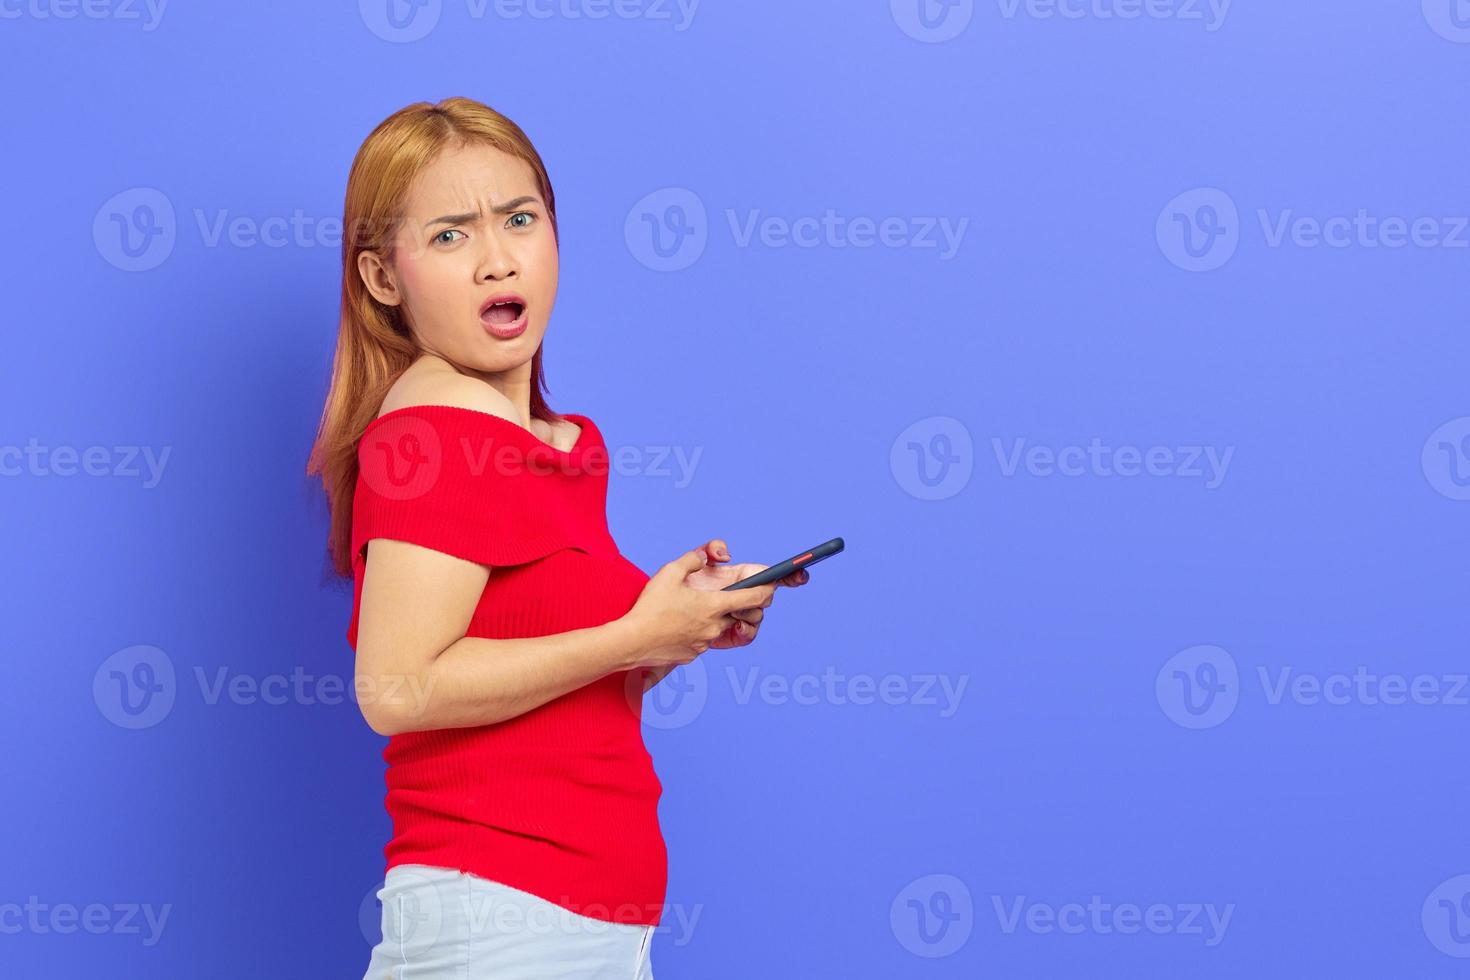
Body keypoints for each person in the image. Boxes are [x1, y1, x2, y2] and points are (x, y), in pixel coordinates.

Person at [306, 96, 808, 979]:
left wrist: (672, 631)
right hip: (499, 926)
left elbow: (538, 681)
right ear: (384, 279)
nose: (498, 259)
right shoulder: (431, 432)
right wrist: (633, 636)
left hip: (575, 928)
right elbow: (396, 687)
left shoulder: (544, 444)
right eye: (450, 236)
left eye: (520, 218)